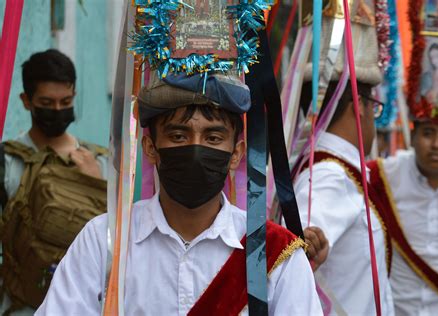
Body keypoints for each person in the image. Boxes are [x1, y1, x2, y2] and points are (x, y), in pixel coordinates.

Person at [36, 73, 324, 315]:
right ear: (150, 149)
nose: (196, 150)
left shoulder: (277, 255)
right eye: (178, 136)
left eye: (213, 138)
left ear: (236, 154)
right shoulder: (105, 241)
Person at [0, 49, 108, 315]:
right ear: (26, 101)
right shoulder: (7, 161)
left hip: (82, 304)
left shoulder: (99, 162)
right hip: (20, 304)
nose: (58, 110)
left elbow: (113, 240)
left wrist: (95, 184)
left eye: (66, 101)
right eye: (47, 103)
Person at [293, 79, 394, 315]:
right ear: (359, 105)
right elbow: (299, 250)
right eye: (375, 107)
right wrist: (309, 246)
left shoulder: (335, 169)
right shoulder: (329, 175)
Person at [368, 121, 438, 315]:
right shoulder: (384, 175)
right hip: (398, 310)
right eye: (428, 133)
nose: (436, 144)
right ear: (413, 136)